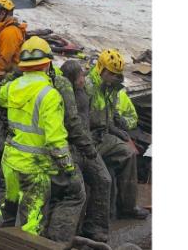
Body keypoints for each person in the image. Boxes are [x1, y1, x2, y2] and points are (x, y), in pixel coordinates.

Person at [0, 36, 83, 236]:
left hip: (10, 163)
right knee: (31, 223)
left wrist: (12, 76)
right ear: (48, 63)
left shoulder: (12, 87)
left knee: (8, 208)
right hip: (34, 169)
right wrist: (68, 167)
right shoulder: (49, 95)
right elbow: (55, 141)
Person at [46, 61, 111, 243]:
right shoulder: (63, 93)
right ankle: (58, 239)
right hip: (72, 147)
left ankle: (95, 228)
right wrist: (87, 147)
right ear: (72, 79)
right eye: (80, 76)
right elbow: (71, 123)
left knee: (103, 179)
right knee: (74, 191)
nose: (83, 79)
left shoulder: (83, 92)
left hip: (85, 145)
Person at [84, 49, 149, 219]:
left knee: (129, 154)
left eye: (117, 74)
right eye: (112, 74)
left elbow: (109, 116)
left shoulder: (111, 89)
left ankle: (128, 206)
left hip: (103, 136)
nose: (115, 78)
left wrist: (119, 131)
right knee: (103, 176)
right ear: (101, 69)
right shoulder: (86, 87)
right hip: (87, 139)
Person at [0, 0, 27, 79]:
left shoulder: (9, 33)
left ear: (2, 13)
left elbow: (6, 56)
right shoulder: (9, 27)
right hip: (13, 65)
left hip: (13, 69)